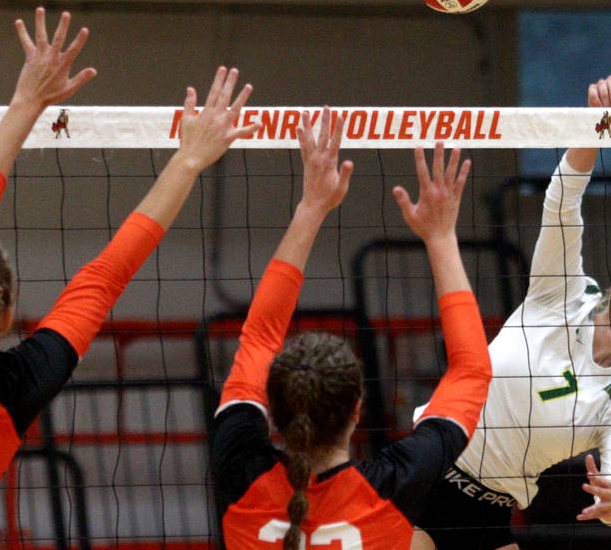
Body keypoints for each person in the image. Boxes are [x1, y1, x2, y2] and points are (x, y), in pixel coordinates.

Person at [0, 7, 260, 549]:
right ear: (6, 319)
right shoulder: (17, 390)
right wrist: (187, 162)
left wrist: (25, 102)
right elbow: (105, 277)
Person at [413, 76, 611, 550]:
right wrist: (598, 125)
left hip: (490, 507)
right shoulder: (563, 292)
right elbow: (562, 202)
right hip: (428, 465)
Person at [210, 119, 493, 549]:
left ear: (272, 409)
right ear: (357, 410)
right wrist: (440, 236)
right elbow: (471, 371)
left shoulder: (239, 469)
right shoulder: (394, 487)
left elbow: (260, 336)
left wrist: (311, 206)